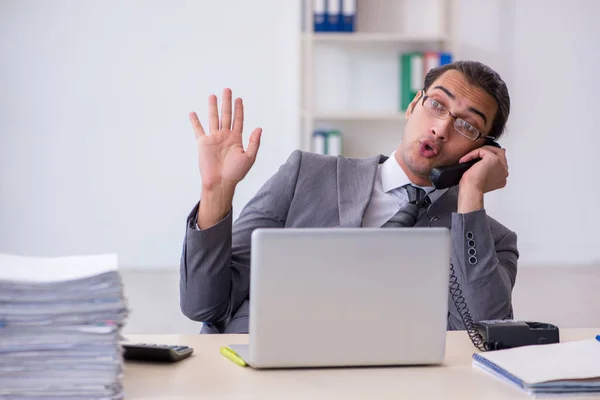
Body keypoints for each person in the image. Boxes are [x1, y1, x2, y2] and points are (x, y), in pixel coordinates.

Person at [180, 60, 519, 334]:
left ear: (483, 150)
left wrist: (471, 192)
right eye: (436, 105)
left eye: (468, 127)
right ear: (414, 104)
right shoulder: (305, 174)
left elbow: (479, 336)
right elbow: (205, 305)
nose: (441, 129)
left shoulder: (493, 241)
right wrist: (216, 191)